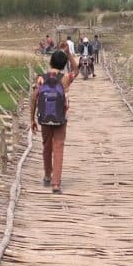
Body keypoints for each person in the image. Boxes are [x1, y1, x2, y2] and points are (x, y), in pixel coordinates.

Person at [30, 46, 79, 194]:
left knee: (46, 146)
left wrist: (32, 119)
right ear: (64, 64)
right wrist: (69, 54)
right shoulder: (65, 78)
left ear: (50, 61)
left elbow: (34, 99)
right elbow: (77, 70)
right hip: (60, 118)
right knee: (58, 148)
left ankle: (47, 175)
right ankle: (56, 184)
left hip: (44, 118)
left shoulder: (40, 78)